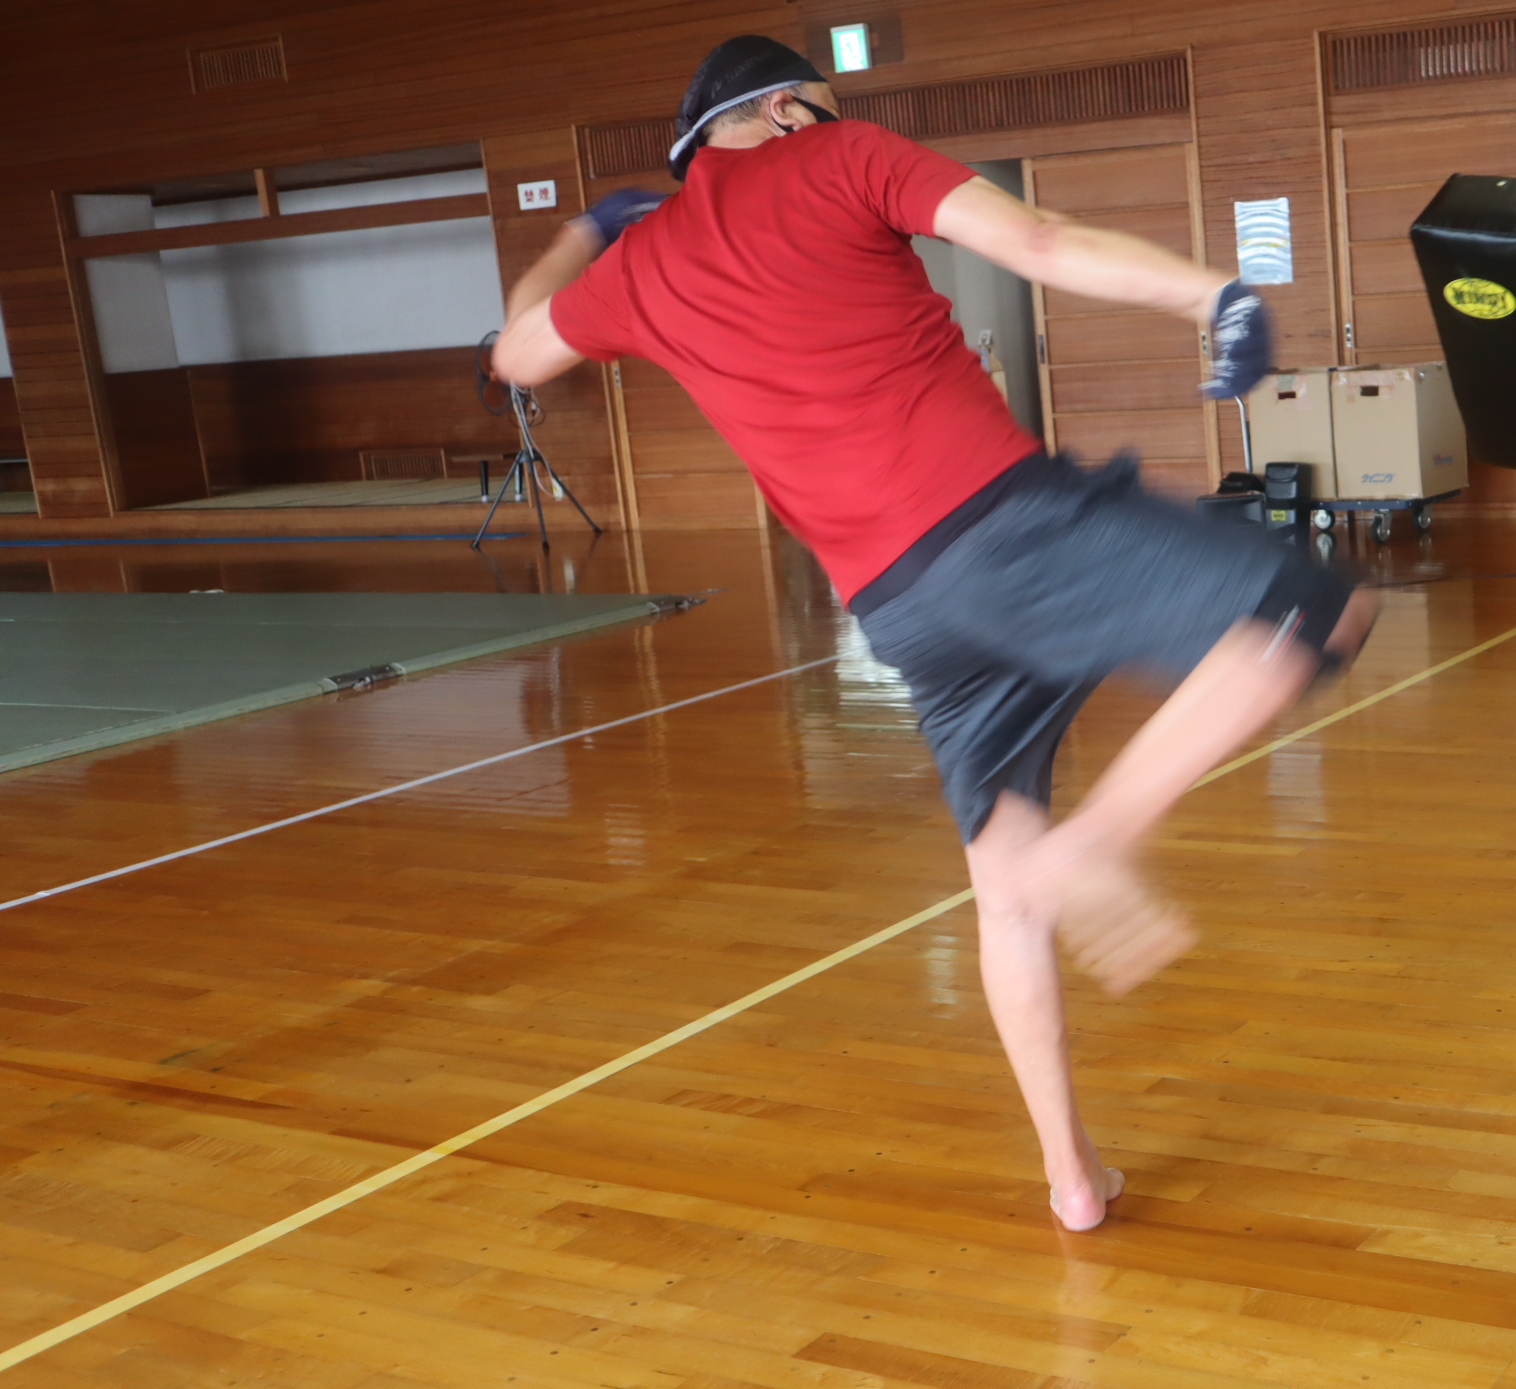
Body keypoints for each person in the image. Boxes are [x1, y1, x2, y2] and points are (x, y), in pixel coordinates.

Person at [491, 36, 1375, 1232]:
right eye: (823, 103)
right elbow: (1039, 242)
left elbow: (516, 353)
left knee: (1000, 889)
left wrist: (589, 230)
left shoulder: (640, 265)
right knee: (1314, 608)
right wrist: (1210, 294)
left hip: (901, 608)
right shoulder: (840, 154)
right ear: (787, 108)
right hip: (1003, 526)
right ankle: (1096, 840)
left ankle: (1072, 1177)